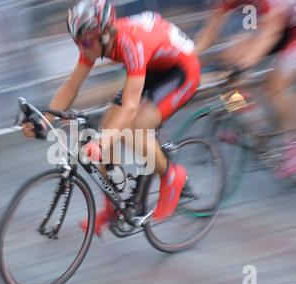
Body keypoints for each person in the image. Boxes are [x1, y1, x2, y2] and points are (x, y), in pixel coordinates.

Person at [21, 0, 201, 235]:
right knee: (106, 129)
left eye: (85, 41)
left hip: (182, 70)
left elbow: (129, 108)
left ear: (104, 34)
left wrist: (102, 143)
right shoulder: (93, 41)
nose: (82, 48)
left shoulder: (129, 42)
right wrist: (43, 122)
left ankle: (171, 176)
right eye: (77, 41)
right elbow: (71, 85)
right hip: (152, 66)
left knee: (132, 128)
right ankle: (113, 208)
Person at [195, 0, 296, 180]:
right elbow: (210, 29)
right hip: (277, 25)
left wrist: (243, 66)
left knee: (273, 87)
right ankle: (249, 118)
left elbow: (271, 33)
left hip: (287, 28)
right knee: (230, 54)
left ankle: (292, 141)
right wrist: (188, 59)